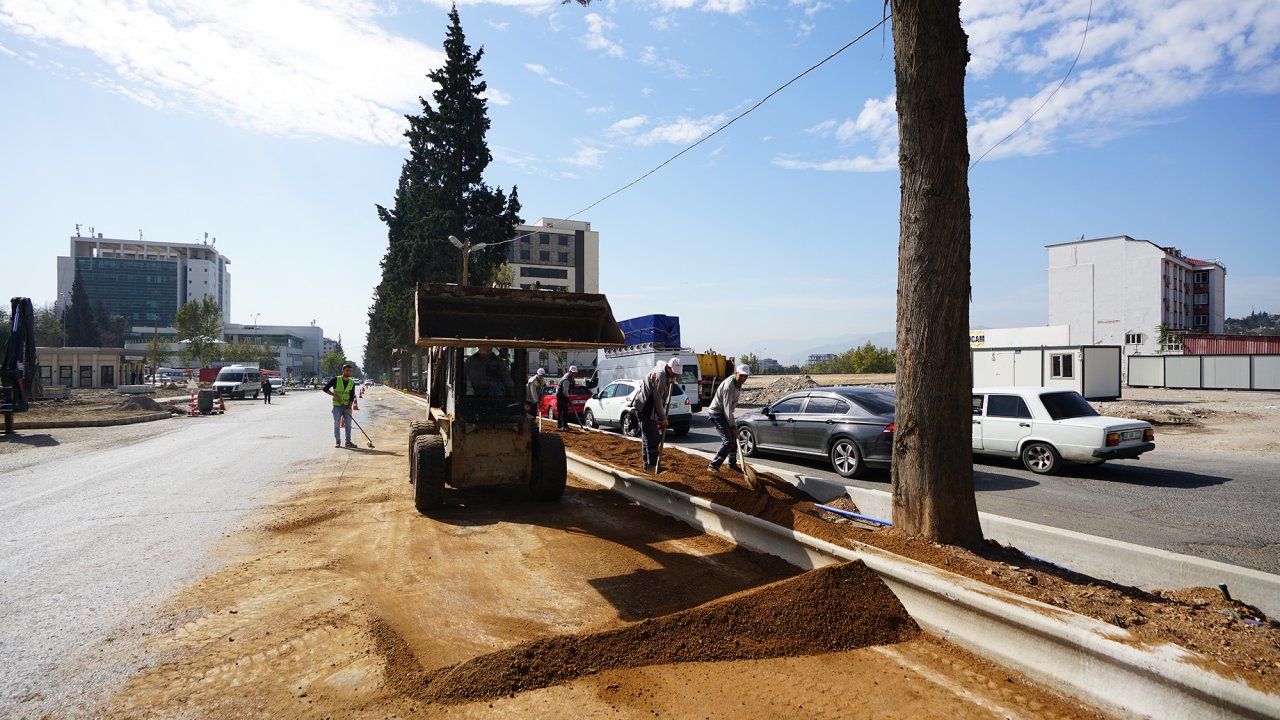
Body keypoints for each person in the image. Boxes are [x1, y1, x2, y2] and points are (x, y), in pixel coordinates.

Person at [629, 357, 682, 473]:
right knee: (653, 439)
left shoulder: (665, 370)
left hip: (646, 407)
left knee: (647, 439)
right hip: (645, 408)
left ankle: (647, 467)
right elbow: (657, 400)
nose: (675, 376)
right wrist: (663, 418)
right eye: (674, 373)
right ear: (669, 368)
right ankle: (652, 466)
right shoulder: (660, 377)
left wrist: (672, 380)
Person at [706, 364, 751, 472]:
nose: (743, 378)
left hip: (726, 412)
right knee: (728, 441)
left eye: (745, 376)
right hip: (717, 413)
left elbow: (729, 409)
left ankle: (732, 464)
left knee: (734, 439)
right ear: (736, 373)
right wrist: (733, 426)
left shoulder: (738, 383)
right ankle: (713, 466)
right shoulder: (729, 386)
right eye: (741, 375)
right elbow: (726, 408)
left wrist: (733, 425)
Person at [324, 364, 359, 448]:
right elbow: (325, 389)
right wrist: (334, 395)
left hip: (347, 406)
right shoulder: (336, 379)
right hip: (337, 406)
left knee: (348, 425)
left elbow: (351, 395)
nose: (349, 372)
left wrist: (349, 407)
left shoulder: (351, 382)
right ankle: (338, 441)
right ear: (343, 371)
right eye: (347, 370)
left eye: (350, 371)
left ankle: (348, 442)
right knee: (337, 425)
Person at [555, 365, 577, 430]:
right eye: (573, 372)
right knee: (563, 410)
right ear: (570, 371)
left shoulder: (571, 377)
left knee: (563, 410)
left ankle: (560, 425)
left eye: (575, 373)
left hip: (563, 394)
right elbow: (565, 391)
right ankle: (564, 425)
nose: (574, 374)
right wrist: (568, 398)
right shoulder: (566, 379)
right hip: (561, 395)